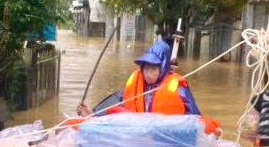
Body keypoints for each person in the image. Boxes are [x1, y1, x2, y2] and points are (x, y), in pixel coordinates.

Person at [77, 37, 220, 133]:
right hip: (137, 134)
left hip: (165, 137)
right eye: (146, 68)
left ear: (163, 68)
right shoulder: (136, 85)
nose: (148, 73)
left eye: (153, 69)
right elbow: (114, 111)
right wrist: (91, 116)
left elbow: (194, 118)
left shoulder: (179, 89)